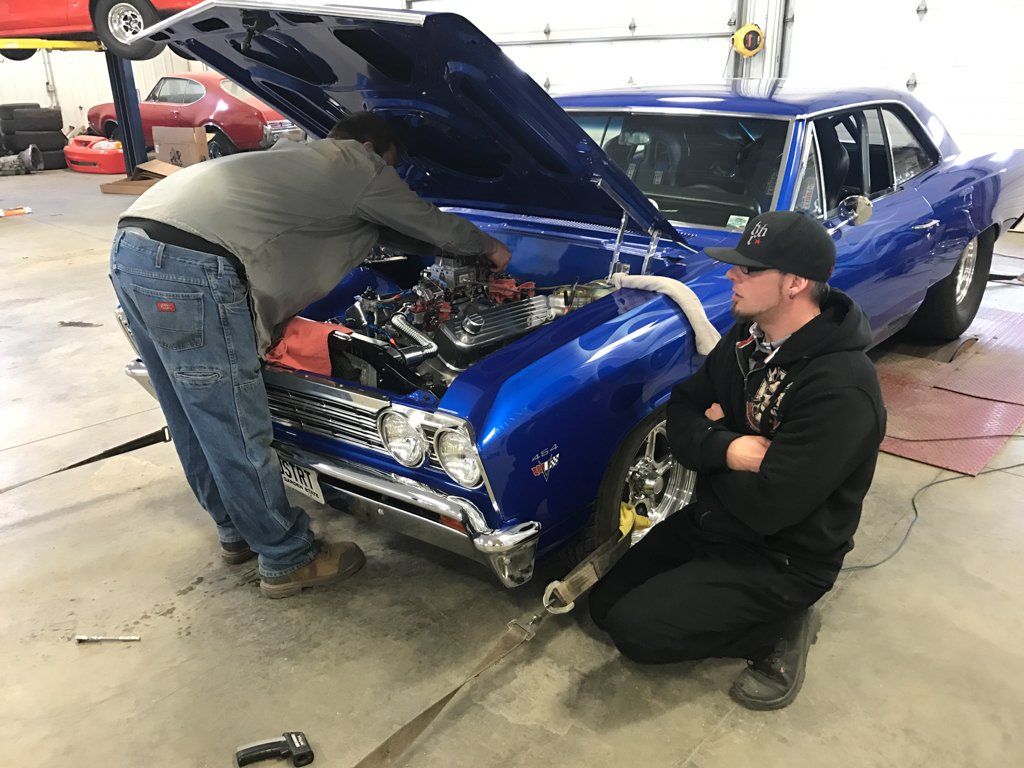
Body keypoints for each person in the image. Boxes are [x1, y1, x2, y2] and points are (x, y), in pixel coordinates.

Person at [109, 112, 511, 598]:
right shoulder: (357, 164)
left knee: (193, 413)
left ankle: (239, 531)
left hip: (136, 247)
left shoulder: (293, 156)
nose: (392, 175)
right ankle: (287, 557)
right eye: (393, 163)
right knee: (234, 422)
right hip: (191, 267)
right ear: (371, 145)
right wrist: (488, 247)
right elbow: (433, 226)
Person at [589, 210, 886, 709]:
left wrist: (709, 444)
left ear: (795, 282)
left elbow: (771, 505)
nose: (732, 275)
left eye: (749, 269)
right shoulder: (749, 339)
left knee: (634, 633)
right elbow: (681, 409)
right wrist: (729, 448)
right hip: (716, 521)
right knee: (602, 605)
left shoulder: (841, 388)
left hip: (783, 558)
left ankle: (777, 631)